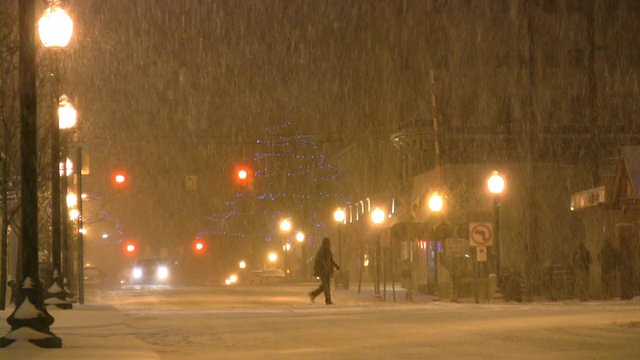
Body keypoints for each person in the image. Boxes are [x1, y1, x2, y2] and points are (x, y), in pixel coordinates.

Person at [309, 237, 340, 305]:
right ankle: (328, 300)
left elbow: (331, 261)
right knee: (326, 286)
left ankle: (313, 294)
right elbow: (321, 261)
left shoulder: (327, 251)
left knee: (325, 286)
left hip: (327, 271)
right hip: (323, 271)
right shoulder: (322, 251)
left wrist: (336, 266)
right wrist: (323, 267)